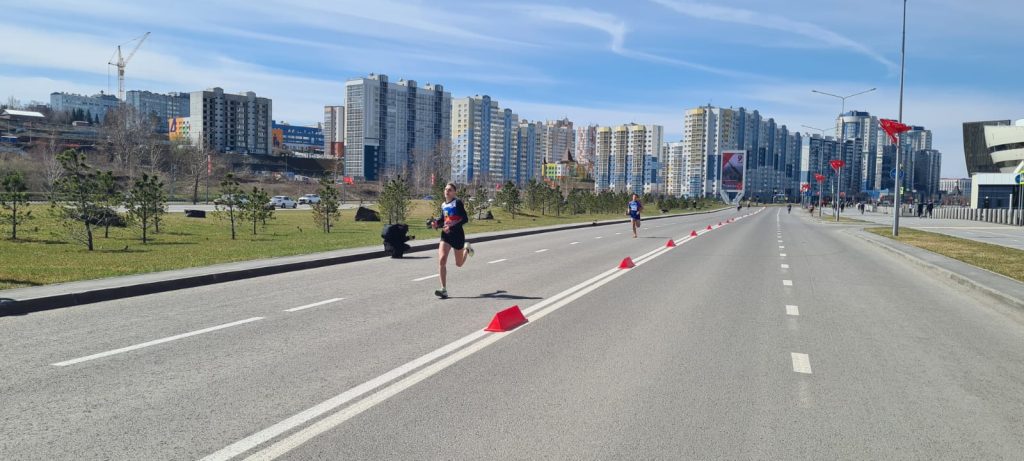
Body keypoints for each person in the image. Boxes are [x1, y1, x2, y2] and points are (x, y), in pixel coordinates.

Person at [433, 183, 473, 299]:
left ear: (454, 192)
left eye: (450, 190)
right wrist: (436, 223)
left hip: (457, 236)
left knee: (459, 264)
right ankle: (443, 289)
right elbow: (443, 219)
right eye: (446, 189)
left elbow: (465, 219)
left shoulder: (458, 203)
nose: (447, 191)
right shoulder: (443, 205)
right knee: (441, 260)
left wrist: (452, 227)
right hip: (446, 236)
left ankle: (467, 249)